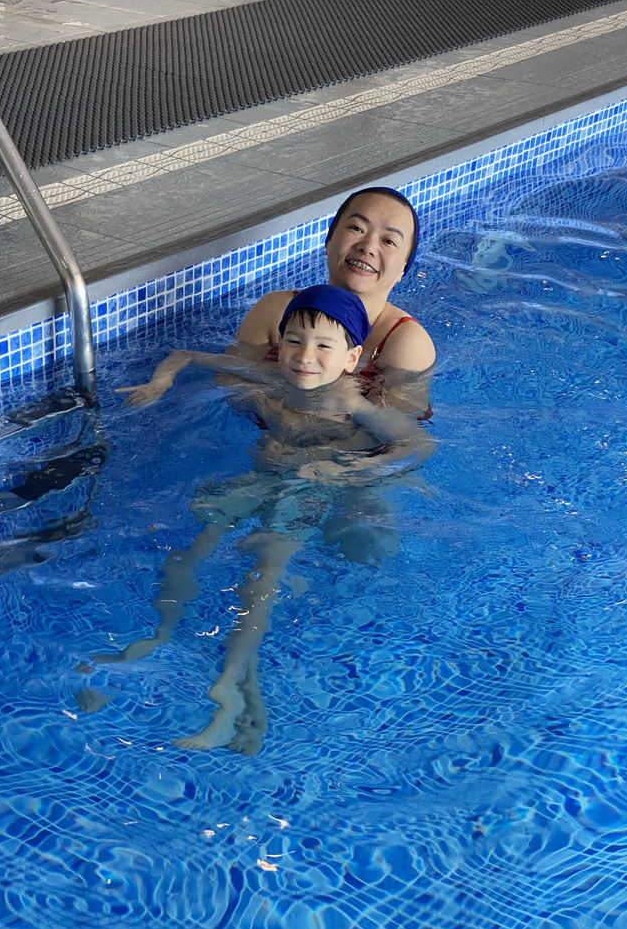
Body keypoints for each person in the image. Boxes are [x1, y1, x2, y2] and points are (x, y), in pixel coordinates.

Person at [90, 285, 433, 754]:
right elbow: (186, 354)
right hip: (261, 478)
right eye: (294, 340)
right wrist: (160, 382)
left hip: (307, 491)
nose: (304, 356)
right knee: (189, 552)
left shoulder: (354, 406)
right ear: (280, 343)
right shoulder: (271, 378)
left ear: (352, 358)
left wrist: (346, 467)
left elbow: (417, 445)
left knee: (263, 575)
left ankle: (229, 689)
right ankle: (155, 638)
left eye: (323, 346)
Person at [234, 187, 436, 384]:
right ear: (328, 242)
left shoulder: (406, 344)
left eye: (389, 241)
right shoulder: (275, 310)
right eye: (356, 228)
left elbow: (398, 418)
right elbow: (229, 384)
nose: (367, 247)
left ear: (403, 268)